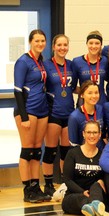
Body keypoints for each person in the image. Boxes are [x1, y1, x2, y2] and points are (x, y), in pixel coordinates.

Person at [14, 29, 50, 203]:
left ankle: (36, 187)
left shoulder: (41, 61)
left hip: (42, 110)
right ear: (30, 42)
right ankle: (27, 189)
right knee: (27, 150)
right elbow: (17, 90)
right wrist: (24, 116)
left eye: (43, 41)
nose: (40, 44)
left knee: (37, 150)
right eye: (37, 41)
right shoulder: (23, 61)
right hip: (28, 110)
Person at [42, 34, 77, 196]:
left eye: (65, 45)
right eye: (59, 45)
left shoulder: (71, 65)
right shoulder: (46, 65)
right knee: (50, 151)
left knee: (66, 151)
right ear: (53, 47)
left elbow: (74, 87)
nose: (62, 48)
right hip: (53, 112)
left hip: (69, 113)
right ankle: (48, 183)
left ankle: (65, 182)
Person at [61, 120, 109, 216]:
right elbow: (67, 179)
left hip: (97, 194)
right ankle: (92, 207)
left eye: (95, 132)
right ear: (83, 134)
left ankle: (93, 206)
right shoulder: (72, 153)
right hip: (75, 195)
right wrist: (82, 192)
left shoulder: (104, 156)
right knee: (79, 199)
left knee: (97, 184)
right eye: (88, 132)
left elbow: (105, 181)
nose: (92, 136)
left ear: (100, 134)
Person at [72, 30, 109, 105]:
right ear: (87, 44)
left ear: (101, 45)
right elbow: (73, 87)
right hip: (84, 103)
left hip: (101, 103)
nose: (94, 46)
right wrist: (87, 92)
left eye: (97, 43)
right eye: (91, 43)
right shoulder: (77, 62)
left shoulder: (105, 61)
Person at [68, 80, 104, 150]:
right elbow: (74, 145)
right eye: (90, 93)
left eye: (96, 93)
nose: (94, 96)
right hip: (84, 155)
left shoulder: (101, 110)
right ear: (82, 95)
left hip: (100, 153)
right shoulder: (74, 117)